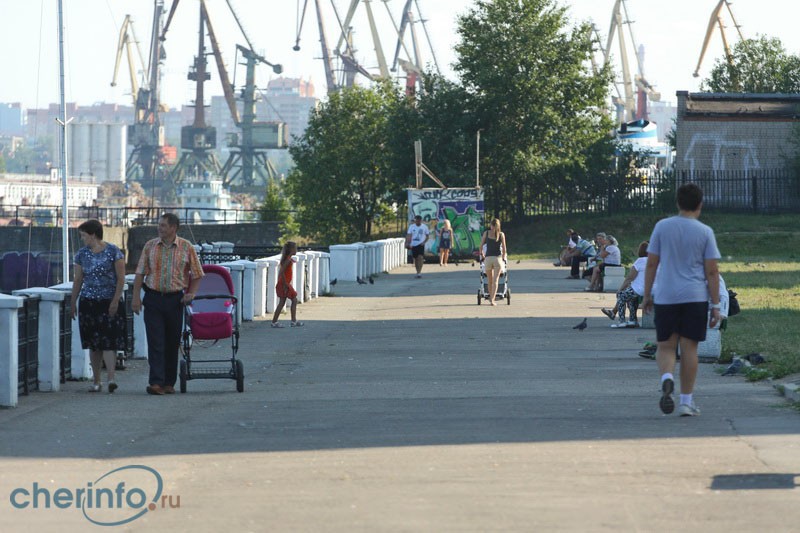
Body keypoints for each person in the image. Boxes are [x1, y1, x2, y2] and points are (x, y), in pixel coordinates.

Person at [642, 183, 721, 417]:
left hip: (666, 295)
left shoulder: (662, 227)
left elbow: (652, 263)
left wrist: (647, 295)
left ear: (677, 202)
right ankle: (686, 402)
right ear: (700, 204)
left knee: (666, 345)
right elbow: (712, 272)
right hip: (694, 296)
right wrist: (716, 305)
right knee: (690, 349)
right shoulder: (705, 232)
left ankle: (666, 378)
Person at [132, 213, 204, 396]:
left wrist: (191, 293)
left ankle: (169, 383)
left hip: (175, 300)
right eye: (159, 225)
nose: (160, 228)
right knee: (155, 340)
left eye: (163, 225)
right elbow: (140, 272)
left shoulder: (186, 247)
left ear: (173, 228)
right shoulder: (150, 246)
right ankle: (156, 382)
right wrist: (136, 298)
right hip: (153, 297)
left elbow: (197, 274)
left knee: (172, 342)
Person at [70, 219, 125, 393]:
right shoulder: (81, 254)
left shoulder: (113, 252)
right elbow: (78, 279)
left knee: (109, 341)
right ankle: (96, 380)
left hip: (108, 301)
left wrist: (116, 300)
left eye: (84, 235)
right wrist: (73, 302)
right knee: (94, 343)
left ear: (93, 234)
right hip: (88, 301)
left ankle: (110, 378)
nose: (83, 239)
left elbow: (121, 278)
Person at [602, 241, 648, 327]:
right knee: (631, 297)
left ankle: (622, 321)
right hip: (650, 289)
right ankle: (632, 320)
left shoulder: (640, 261)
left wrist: (620, 289)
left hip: (640, 289)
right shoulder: (653, 261)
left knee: (621, 295)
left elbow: (629, 278)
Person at [271, 241, 304, 328]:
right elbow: (281, 271)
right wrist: (285, 284)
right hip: (284, 284)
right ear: (291, 249)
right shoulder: (288, 260)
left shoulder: (288, 258)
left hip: (283, 283)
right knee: (293, 300)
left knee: (283, 302)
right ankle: (291, 321)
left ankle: (276, 321)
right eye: (295, 248)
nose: (296, 250)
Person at [479, 218, 508, 306]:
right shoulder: (501, 235)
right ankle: (492, 300)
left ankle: (490, 297)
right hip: (497, 259)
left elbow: (480, 247)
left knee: (489, 280)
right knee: (496, 281)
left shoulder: (486, 233)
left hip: (488, 259)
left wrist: (483, 255)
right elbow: (504, 249)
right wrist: (503, 258)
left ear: (491, 225)